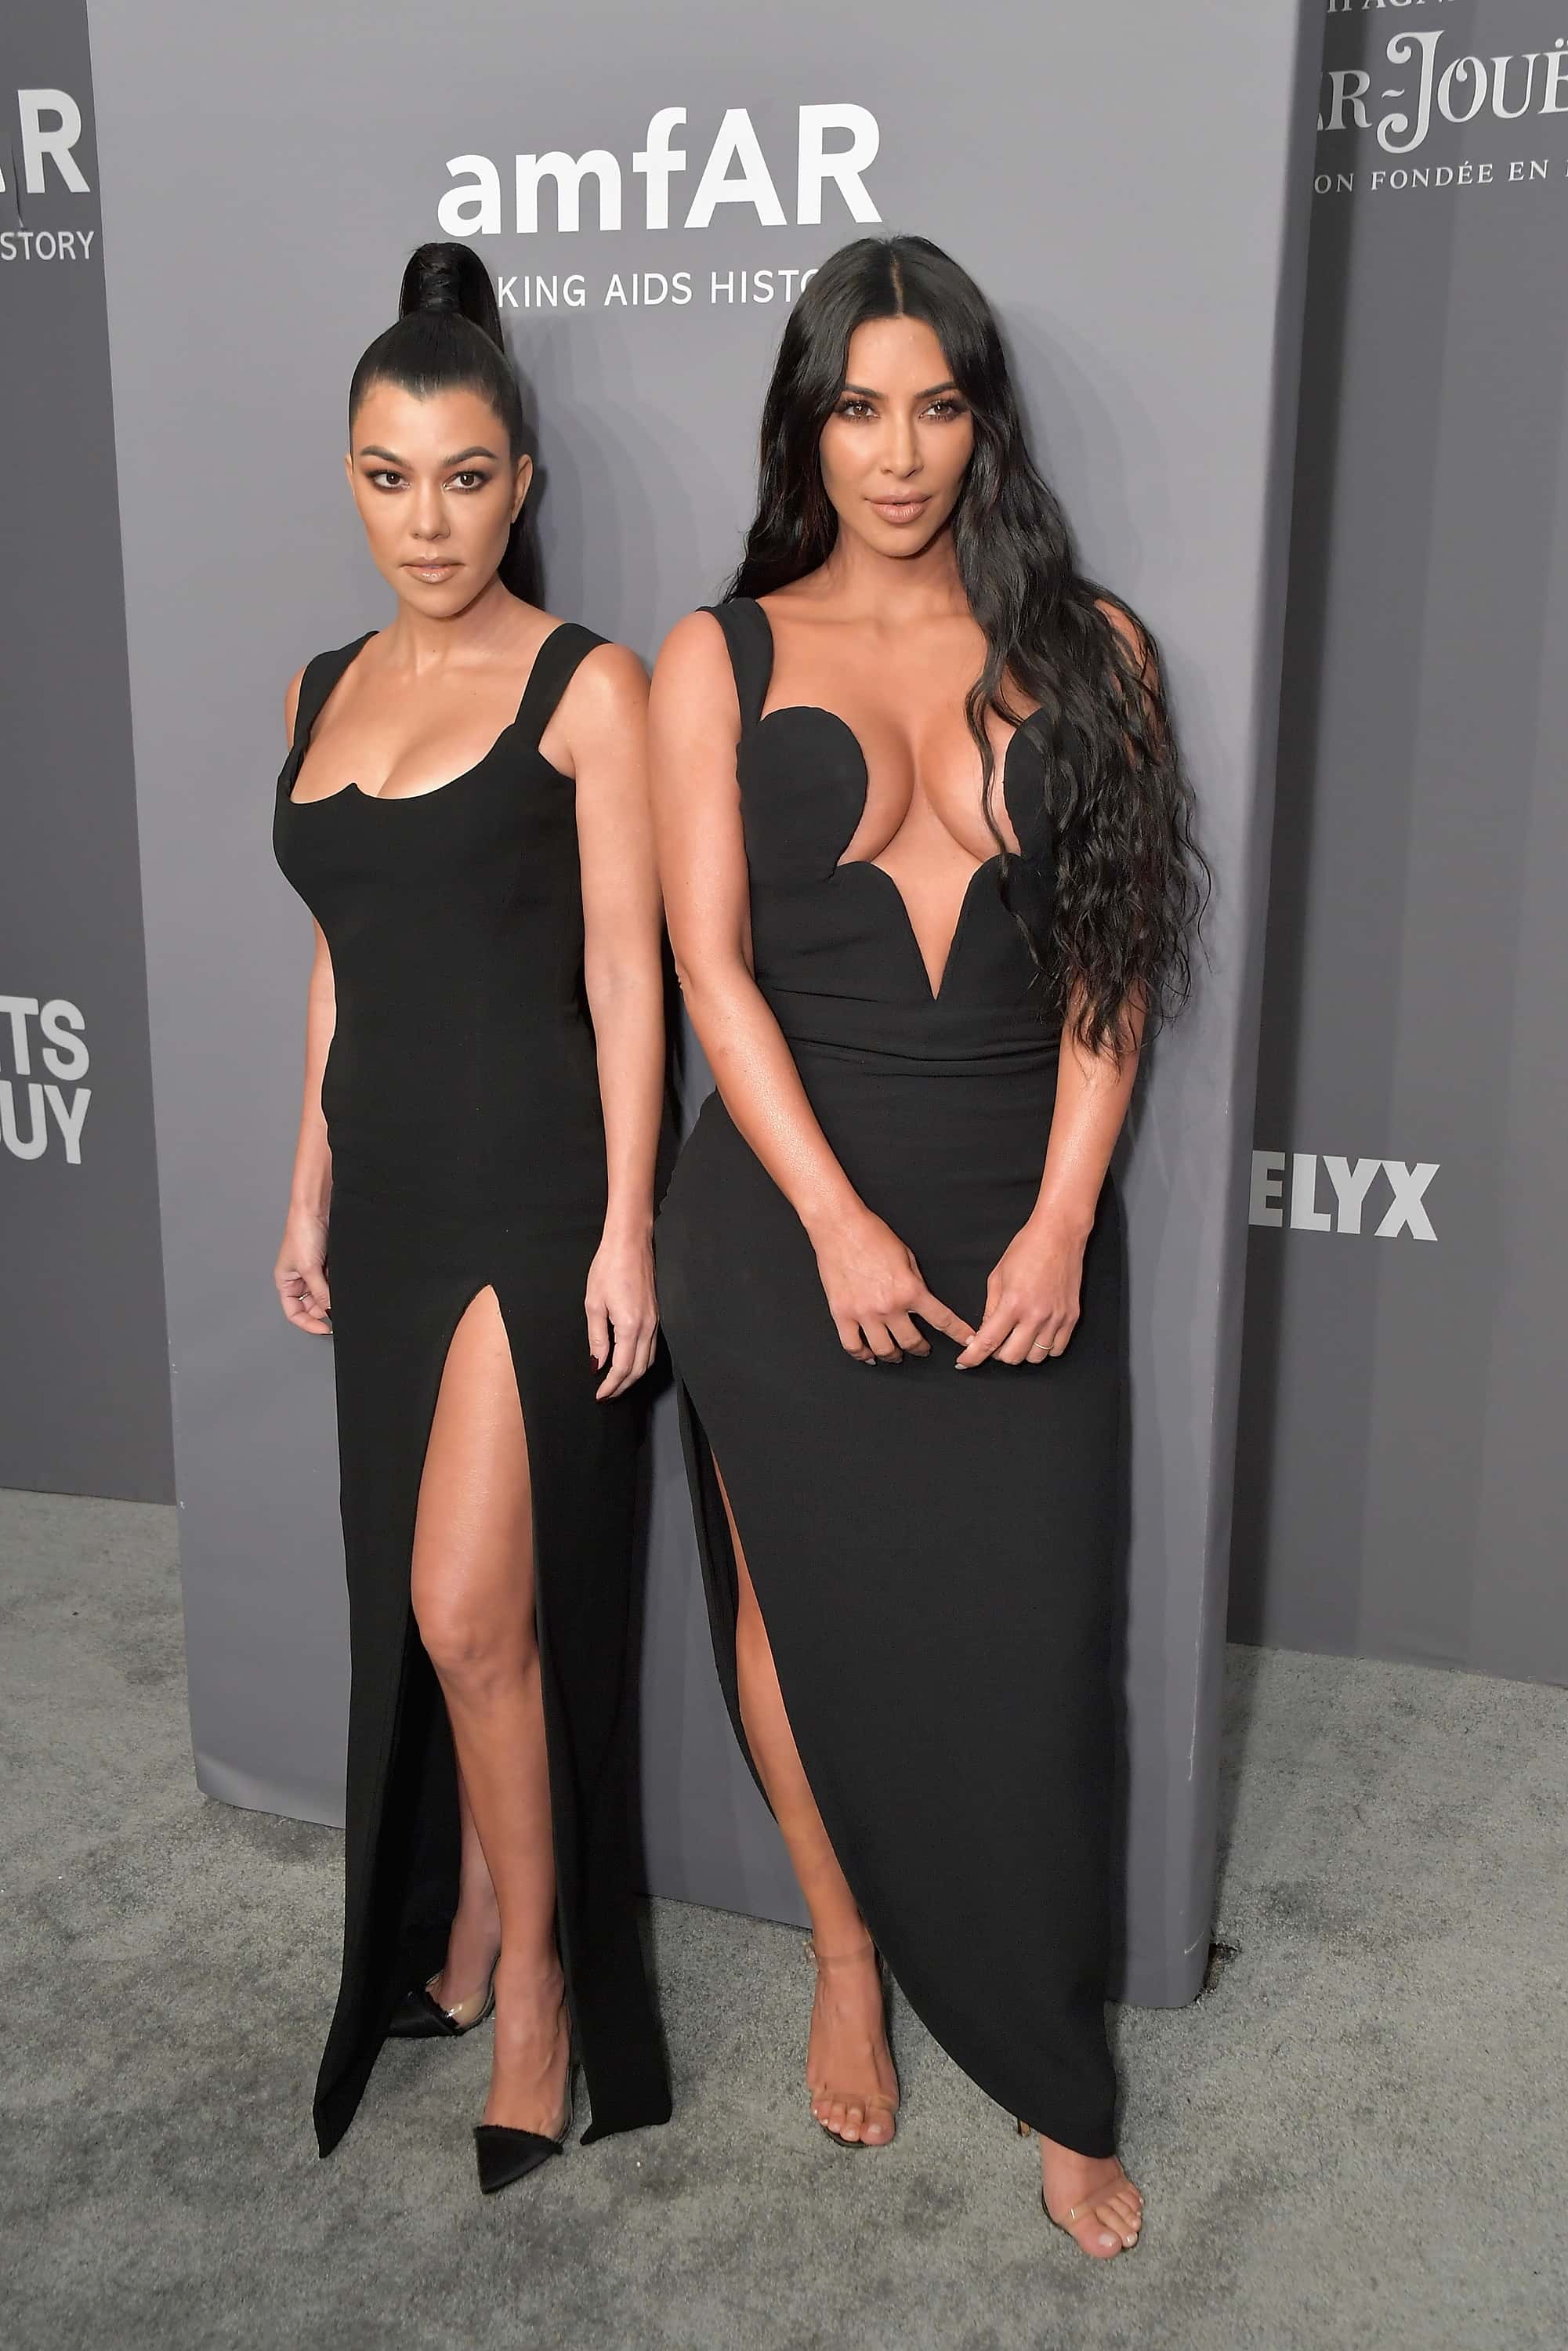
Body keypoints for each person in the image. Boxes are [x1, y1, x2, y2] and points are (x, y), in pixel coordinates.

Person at [649, 234, 1205, 2258]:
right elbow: (707, 968)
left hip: (1016, 1200)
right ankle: (839, 1947)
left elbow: (1110, 969)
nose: (900, 452)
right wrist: (831, 1221)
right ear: (810, 420)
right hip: (790, 1210)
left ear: (986, 417)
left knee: (1040, 1641)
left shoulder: (1092, 647)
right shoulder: (714, 656)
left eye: (938, 404)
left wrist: (1063, 1211)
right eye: (861, 406)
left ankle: (1056, 2073)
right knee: (797, 1600)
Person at [272, 242, 671, 2195]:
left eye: (461, 475)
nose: (423, 520)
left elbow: (628, 972)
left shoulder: (589, 685)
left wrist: (624, 1231)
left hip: (528, 1196)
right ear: (348, 478)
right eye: (384, 475)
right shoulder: (318, 685)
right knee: (429, 1626)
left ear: (518, 477)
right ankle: (471, 1929)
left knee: (470, 1609)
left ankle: (537, 1991)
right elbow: (348, 957)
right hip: (395, 1200)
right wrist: (309, 1175)